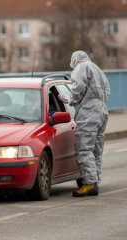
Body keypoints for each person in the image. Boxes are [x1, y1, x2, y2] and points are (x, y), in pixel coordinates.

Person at [59, 51, 110, 197]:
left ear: (75, 60)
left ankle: (89, 183)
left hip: (88, 113)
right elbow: (107, 91)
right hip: (102, 111)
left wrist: (69, 100)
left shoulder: (81, 68)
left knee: (84, 150)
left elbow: (78, 89)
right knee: (96, 151)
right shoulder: (97, 69)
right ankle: (96, 182)